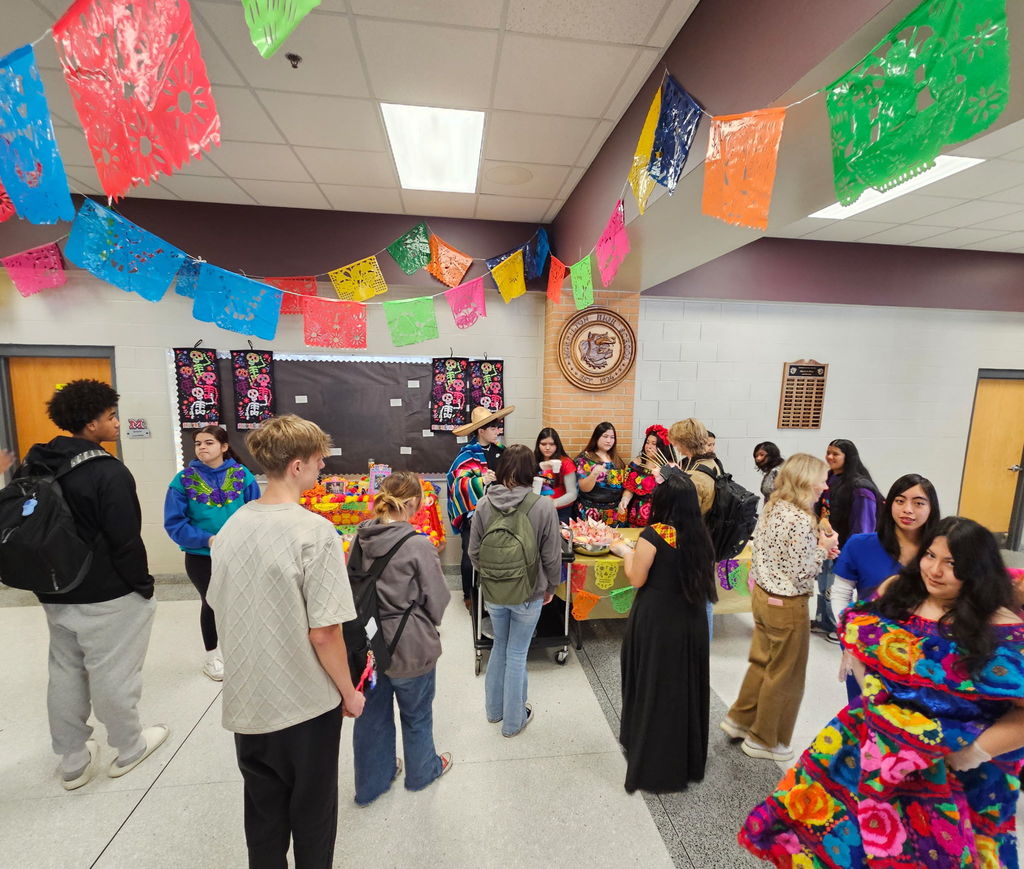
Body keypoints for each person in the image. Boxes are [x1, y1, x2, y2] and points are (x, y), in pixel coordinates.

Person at [739, 517, 1024, 867]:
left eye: (952, 563)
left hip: (953, 771)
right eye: (930, 555)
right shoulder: (900, 591)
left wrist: (973, 753)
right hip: (869, 746)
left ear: (978, 569)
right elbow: (858, 630)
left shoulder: (1002, 627)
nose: (934, 570)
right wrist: (872, 688)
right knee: (845, 844)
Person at [208, 414, 365, 868]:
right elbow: (325, 631)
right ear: (297, 466)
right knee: (313, 815)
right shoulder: (313, 532)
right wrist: (349, 693)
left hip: (248, 701)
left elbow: (220, 604)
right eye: (319, 462)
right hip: (303, 703)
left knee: (262, 815)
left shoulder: (233, 525)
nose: (322, 470)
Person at [22, 380, 167, 790]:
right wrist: (143, 586)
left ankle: (72, 760)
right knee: (113, 673)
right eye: (110, 417)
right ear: (91, 424)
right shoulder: (107, 472)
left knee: (65, 670)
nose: (117, 423)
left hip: (53, 588)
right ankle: (129, 746)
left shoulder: (37, 462)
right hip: (107, 593)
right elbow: (125, 540)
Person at [721, 454, 838, 763]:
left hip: (763, 595)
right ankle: (765, 739)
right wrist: (823, 552)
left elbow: (773, 551)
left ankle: (740, 720)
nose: (825, 485)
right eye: (821, 479)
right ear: (805, 481)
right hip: (787, 604)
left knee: (763, 662)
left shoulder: (774, 506)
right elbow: (802, 571)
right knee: (786, 674)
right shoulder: (800, 518)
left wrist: (818, 548)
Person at [610, 473, 716, 793]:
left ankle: (650, 752)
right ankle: (685, 757)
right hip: (691, 618)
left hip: (657, 618)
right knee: (684, 685)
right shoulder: (701, 533)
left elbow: (637, 579)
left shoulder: (655, 534)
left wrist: (625, 552)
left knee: (653, 682)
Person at [352, 471, 453, 806]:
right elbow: (437, 597)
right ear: (413, 503)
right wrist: (430, 623)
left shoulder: (359, 538)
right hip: (410, 644)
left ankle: (372, 783)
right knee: (417, 714)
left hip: (367, 646)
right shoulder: (418, 545)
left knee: (371, 718)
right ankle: (422, 772)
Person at [469, 444, 561, 737]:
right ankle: (514, 721)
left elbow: (473, 551)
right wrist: (551, 587)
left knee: (500, 646)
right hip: (529, 592)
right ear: (530, 471)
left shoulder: (484, 503)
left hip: (494, 593)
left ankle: (494, 712)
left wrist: (494, 576)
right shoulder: (542, 505)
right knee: (518, 653)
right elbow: (551, 555)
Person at [163, 426, 261, 681]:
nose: (202, 447)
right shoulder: (183, 480)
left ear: (224, 446)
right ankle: (212, 657)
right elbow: (174, 524)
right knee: (212, 603)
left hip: (241, 553)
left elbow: (258, 512)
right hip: (201, 556)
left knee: (243, 602)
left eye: (209, 442)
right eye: (198, 444)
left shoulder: (242, 475)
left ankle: (242, 653)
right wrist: (208, 539)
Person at [831, 474, 940, 701]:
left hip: (924, 652)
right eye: (900, 501)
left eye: (918, 503)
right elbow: (841, 594)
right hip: (868, 646)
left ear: (931, 508)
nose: (907, 510)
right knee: (867, 713)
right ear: (889, 504)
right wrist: (848, 639)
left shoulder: (941, 550)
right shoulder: (861, 545)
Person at [812, 438, 881, 640]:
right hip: (826, 542)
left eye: (835, 454)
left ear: (847, 457)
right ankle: (824, 621)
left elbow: (864, 525)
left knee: (838, 589)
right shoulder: (829, 477)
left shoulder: (860, 486)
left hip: (844, 548)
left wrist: (851, 551)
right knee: (824, 584)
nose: (830, 457)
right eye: (828, 452)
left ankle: (840, 627)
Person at [447, 404, 514, 610]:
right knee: (469, 556)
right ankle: (468, 594)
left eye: (498, 427)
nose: (497, 431)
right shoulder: (466, 455)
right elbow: (457, 484)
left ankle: (495, 593)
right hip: (474, 514)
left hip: (501, 511)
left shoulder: (503, 452)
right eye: (493, 428)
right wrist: (481, 481)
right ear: (481, 431)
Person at [574, 421, 627, 525]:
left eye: (612, 437)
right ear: (596, 437)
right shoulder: (585, 459)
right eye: (605, 436)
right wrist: (594, 474)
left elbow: (624, 485)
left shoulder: (617, 460)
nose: (609, 441)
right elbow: (584, 488)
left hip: (614, 513)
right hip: (591, 512)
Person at [620, 424, 671, 528]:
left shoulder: (667, 466)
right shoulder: (637, 463)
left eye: (654, 444)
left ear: (662, 447)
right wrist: (624, 500)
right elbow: (629, 488)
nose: (649, 446)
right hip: (637, 512)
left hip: (658, 513)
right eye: (647, 442)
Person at [533, 427, 577, 523]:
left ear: (557, 445)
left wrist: (554, 503)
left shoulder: (566, 462)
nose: (547, 448)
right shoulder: (533, 460)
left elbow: (572, 493)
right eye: (543, 444)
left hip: (561, 511)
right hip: (537, 509)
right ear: (538, 445)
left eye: (552, 444)